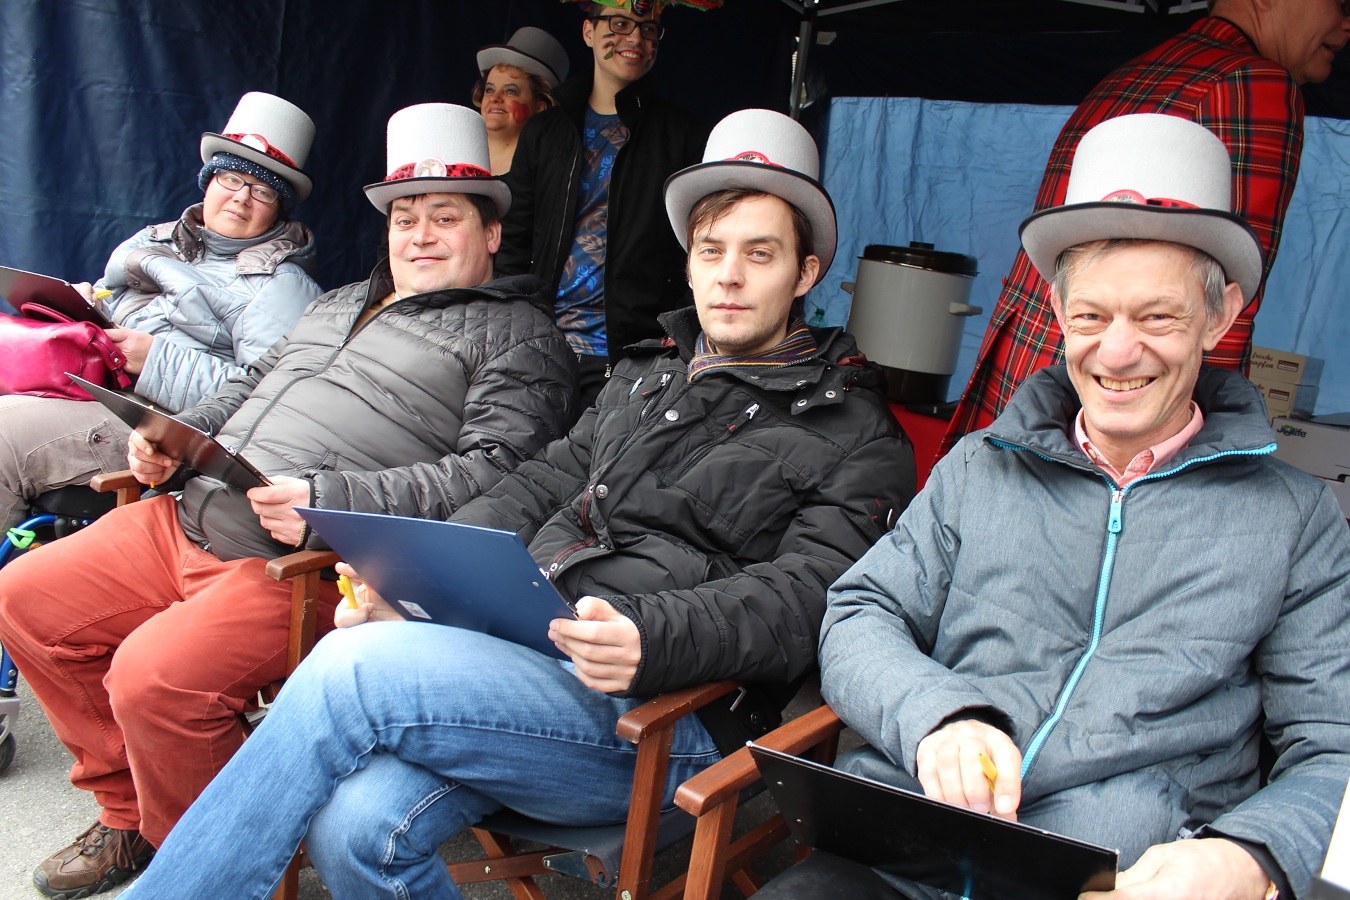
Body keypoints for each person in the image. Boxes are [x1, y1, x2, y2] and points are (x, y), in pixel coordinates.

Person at [119, 108, 916, 900]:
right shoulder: (646, 376)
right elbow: (538, 481)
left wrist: (653, 637)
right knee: (355, 828)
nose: (729, 276)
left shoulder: (854, 430)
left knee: (348, 670)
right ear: (689, 262)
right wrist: (417, 579)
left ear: (805, 273)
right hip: (529, 660)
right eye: (712, 250)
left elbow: (810, 599)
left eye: (760, 253)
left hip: (667, 719)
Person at [753, 114, 1350, 900]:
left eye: (1157, 316)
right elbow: (860, 613)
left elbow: (1331, 742)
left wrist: (1249, 855)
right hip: (907, 850)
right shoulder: (980, 467)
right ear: (1060, 313)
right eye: (1092, 316)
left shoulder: (1295, 520)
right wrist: (939, 717)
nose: (1118, 351)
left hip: (1120, 877)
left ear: (1220, 315)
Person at [0, 102, 579, 900]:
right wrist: (171, 439)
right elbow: (244, 383)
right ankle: (130, 814)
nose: (420, 235)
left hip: (309, 565)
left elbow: (500, 475)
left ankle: (208, 867)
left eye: (446, 217)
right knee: (24, 598)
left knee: (153, 679)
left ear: (491, 233)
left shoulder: (522, 337)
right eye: (404, 217)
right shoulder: (335, 300)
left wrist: (330, 497)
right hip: (185, 513)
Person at [940, 0, 1350, 458]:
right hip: (1109, 413)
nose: (1347, 23)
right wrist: (1213, 463)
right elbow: (1221, 299)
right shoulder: (1251, 83)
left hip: (1031, 377)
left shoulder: (1135, 70)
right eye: (1340, 2)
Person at [0, 91, 323, 531]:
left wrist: (155, 360)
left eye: (262, 191)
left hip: (153, 427)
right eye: (230, 179)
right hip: (93, 387)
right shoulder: (154, 240)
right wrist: (84, 308)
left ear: (278, 208)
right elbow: (110, 299)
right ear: (209, 182)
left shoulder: (283, 286)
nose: (241, 198)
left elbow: (269, 403)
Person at [497, 0, 715, 404]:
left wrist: (678, 334)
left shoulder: (684, 135)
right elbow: (513, 239)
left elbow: (701, 245)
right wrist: (514, 324)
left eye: (648, 29)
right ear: (589, 31)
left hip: (635, 354)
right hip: (542, 344)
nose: (635, 38)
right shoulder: (544, 130)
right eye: (619, 23)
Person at [472, 26, 570, 175]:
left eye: (510, 91)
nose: (495, 98)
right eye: (489, 89)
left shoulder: (548, 170)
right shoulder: (457, 150)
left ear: (540, 108)